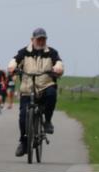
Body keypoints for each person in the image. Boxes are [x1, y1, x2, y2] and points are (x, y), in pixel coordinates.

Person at [8, 28, 64, 157]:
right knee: (23, 116)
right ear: (32, 40)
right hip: (28, 88)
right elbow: (15, 60)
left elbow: (59, 63)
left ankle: (48, 121)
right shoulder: (24, 52)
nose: (41, 41)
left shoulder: (52, 52)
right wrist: (12, 67)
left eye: (43, 39)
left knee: (52, 93)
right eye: (38, 39)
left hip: (45, 85)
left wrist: (58, 68)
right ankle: (23, 142)